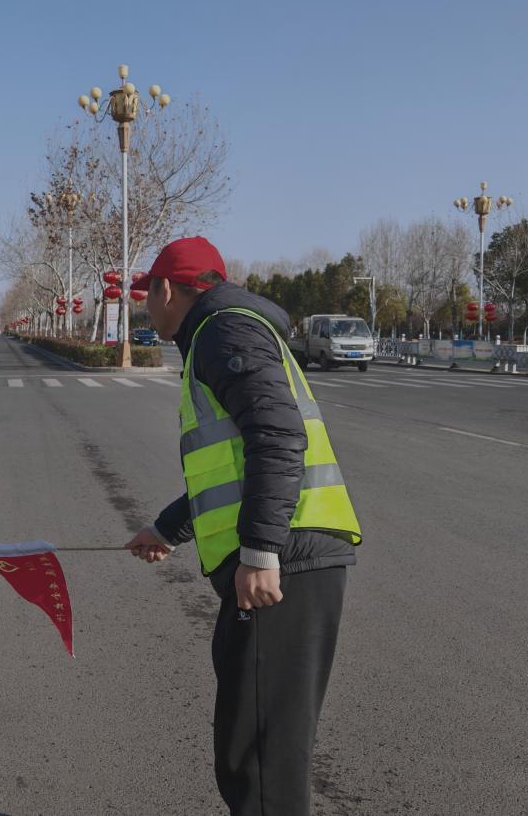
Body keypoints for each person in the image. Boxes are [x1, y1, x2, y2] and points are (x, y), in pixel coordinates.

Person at [124, 236, 362, 816]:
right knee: (252, 747)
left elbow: (277, 436)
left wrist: (259, 551)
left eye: (146, 296)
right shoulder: (222, 332)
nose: (144, 309)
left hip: (284, 562)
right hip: (293, 555)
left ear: (167, 290)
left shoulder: (222, 333)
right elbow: (228, 467)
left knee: (259, 760)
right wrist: (167, 528)